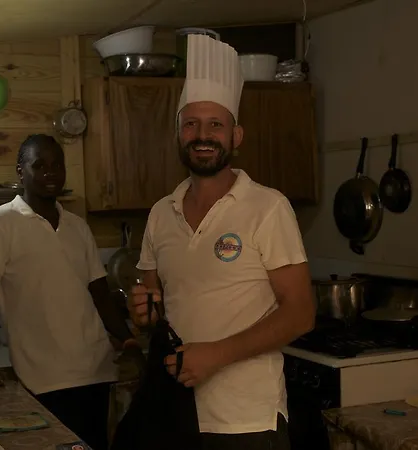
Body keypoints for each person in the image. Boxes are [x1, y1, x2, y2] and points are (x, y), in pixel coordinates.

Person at [128, 34, 316, 450]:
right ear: (178, 134)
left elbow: (301, 313)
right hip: (174, 415)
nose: (203, 134)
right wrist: (142, 311)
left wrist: (217, 354)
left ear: (236, 136)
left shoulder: (267, 207)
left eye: (216, 124)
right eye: (191, 124)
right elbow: (153, 307)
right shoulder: (161, 213)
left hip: (246, 422)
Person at [0, 134, 143, 450]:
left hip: (96, 370)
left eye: (57, 165)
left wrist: (128, 339)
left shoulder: (78, 226)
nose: (50, 172)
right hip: (42, 379)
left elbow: (99, 292)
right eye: (39, 165)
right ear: (20, 171)